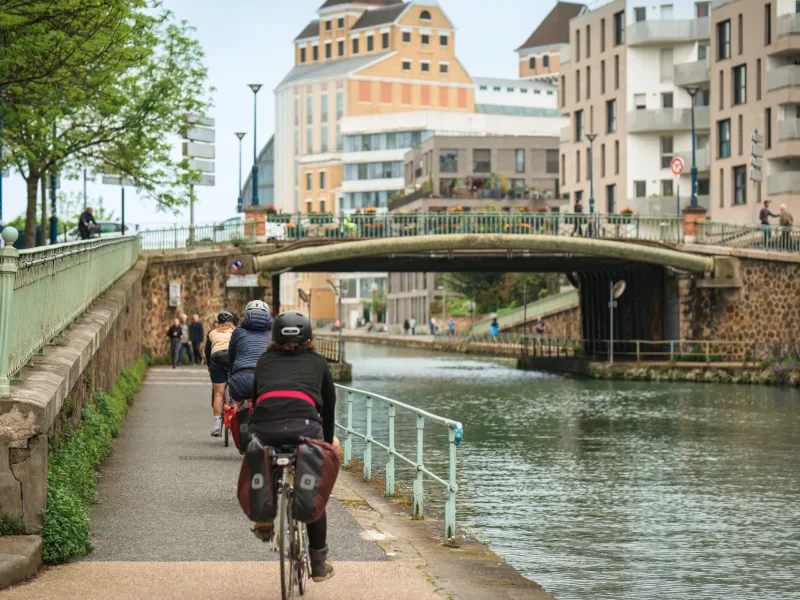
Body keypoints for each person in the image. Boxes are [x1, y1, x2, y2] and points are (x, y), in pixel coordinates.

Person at [249, 310, 338, 582]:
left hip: (266, 429)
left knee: (265, 454)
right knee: (313, 492)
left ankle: (264, 517)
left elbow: (256, 400)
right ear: (309, 335)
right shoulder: (318, 362)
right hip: (306, 429)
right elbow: (329, 407)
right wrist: (326, 442)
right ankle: (319, 563)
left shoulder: (264, 361)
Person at [228, 300, 273, 407]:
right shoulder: (273, 333)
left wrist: (231, 373)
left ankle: (235, 419)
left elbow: (231, 356)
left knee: (236, 405)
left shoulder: (238, 331)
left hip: (241, 378)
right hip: (266, 379)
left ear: (247, 313)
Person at [205, 311, 235, 437]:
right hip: (231, 359)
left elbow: (207, 351)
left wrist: (209, 366)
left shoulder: (212, 332)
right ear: (231, 322)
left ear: (218, 322)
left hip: (216, 359)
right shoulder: (236, 332)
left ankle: (217, 427)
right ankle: (235, 423)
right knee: (235, 392)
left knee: (218, 394)